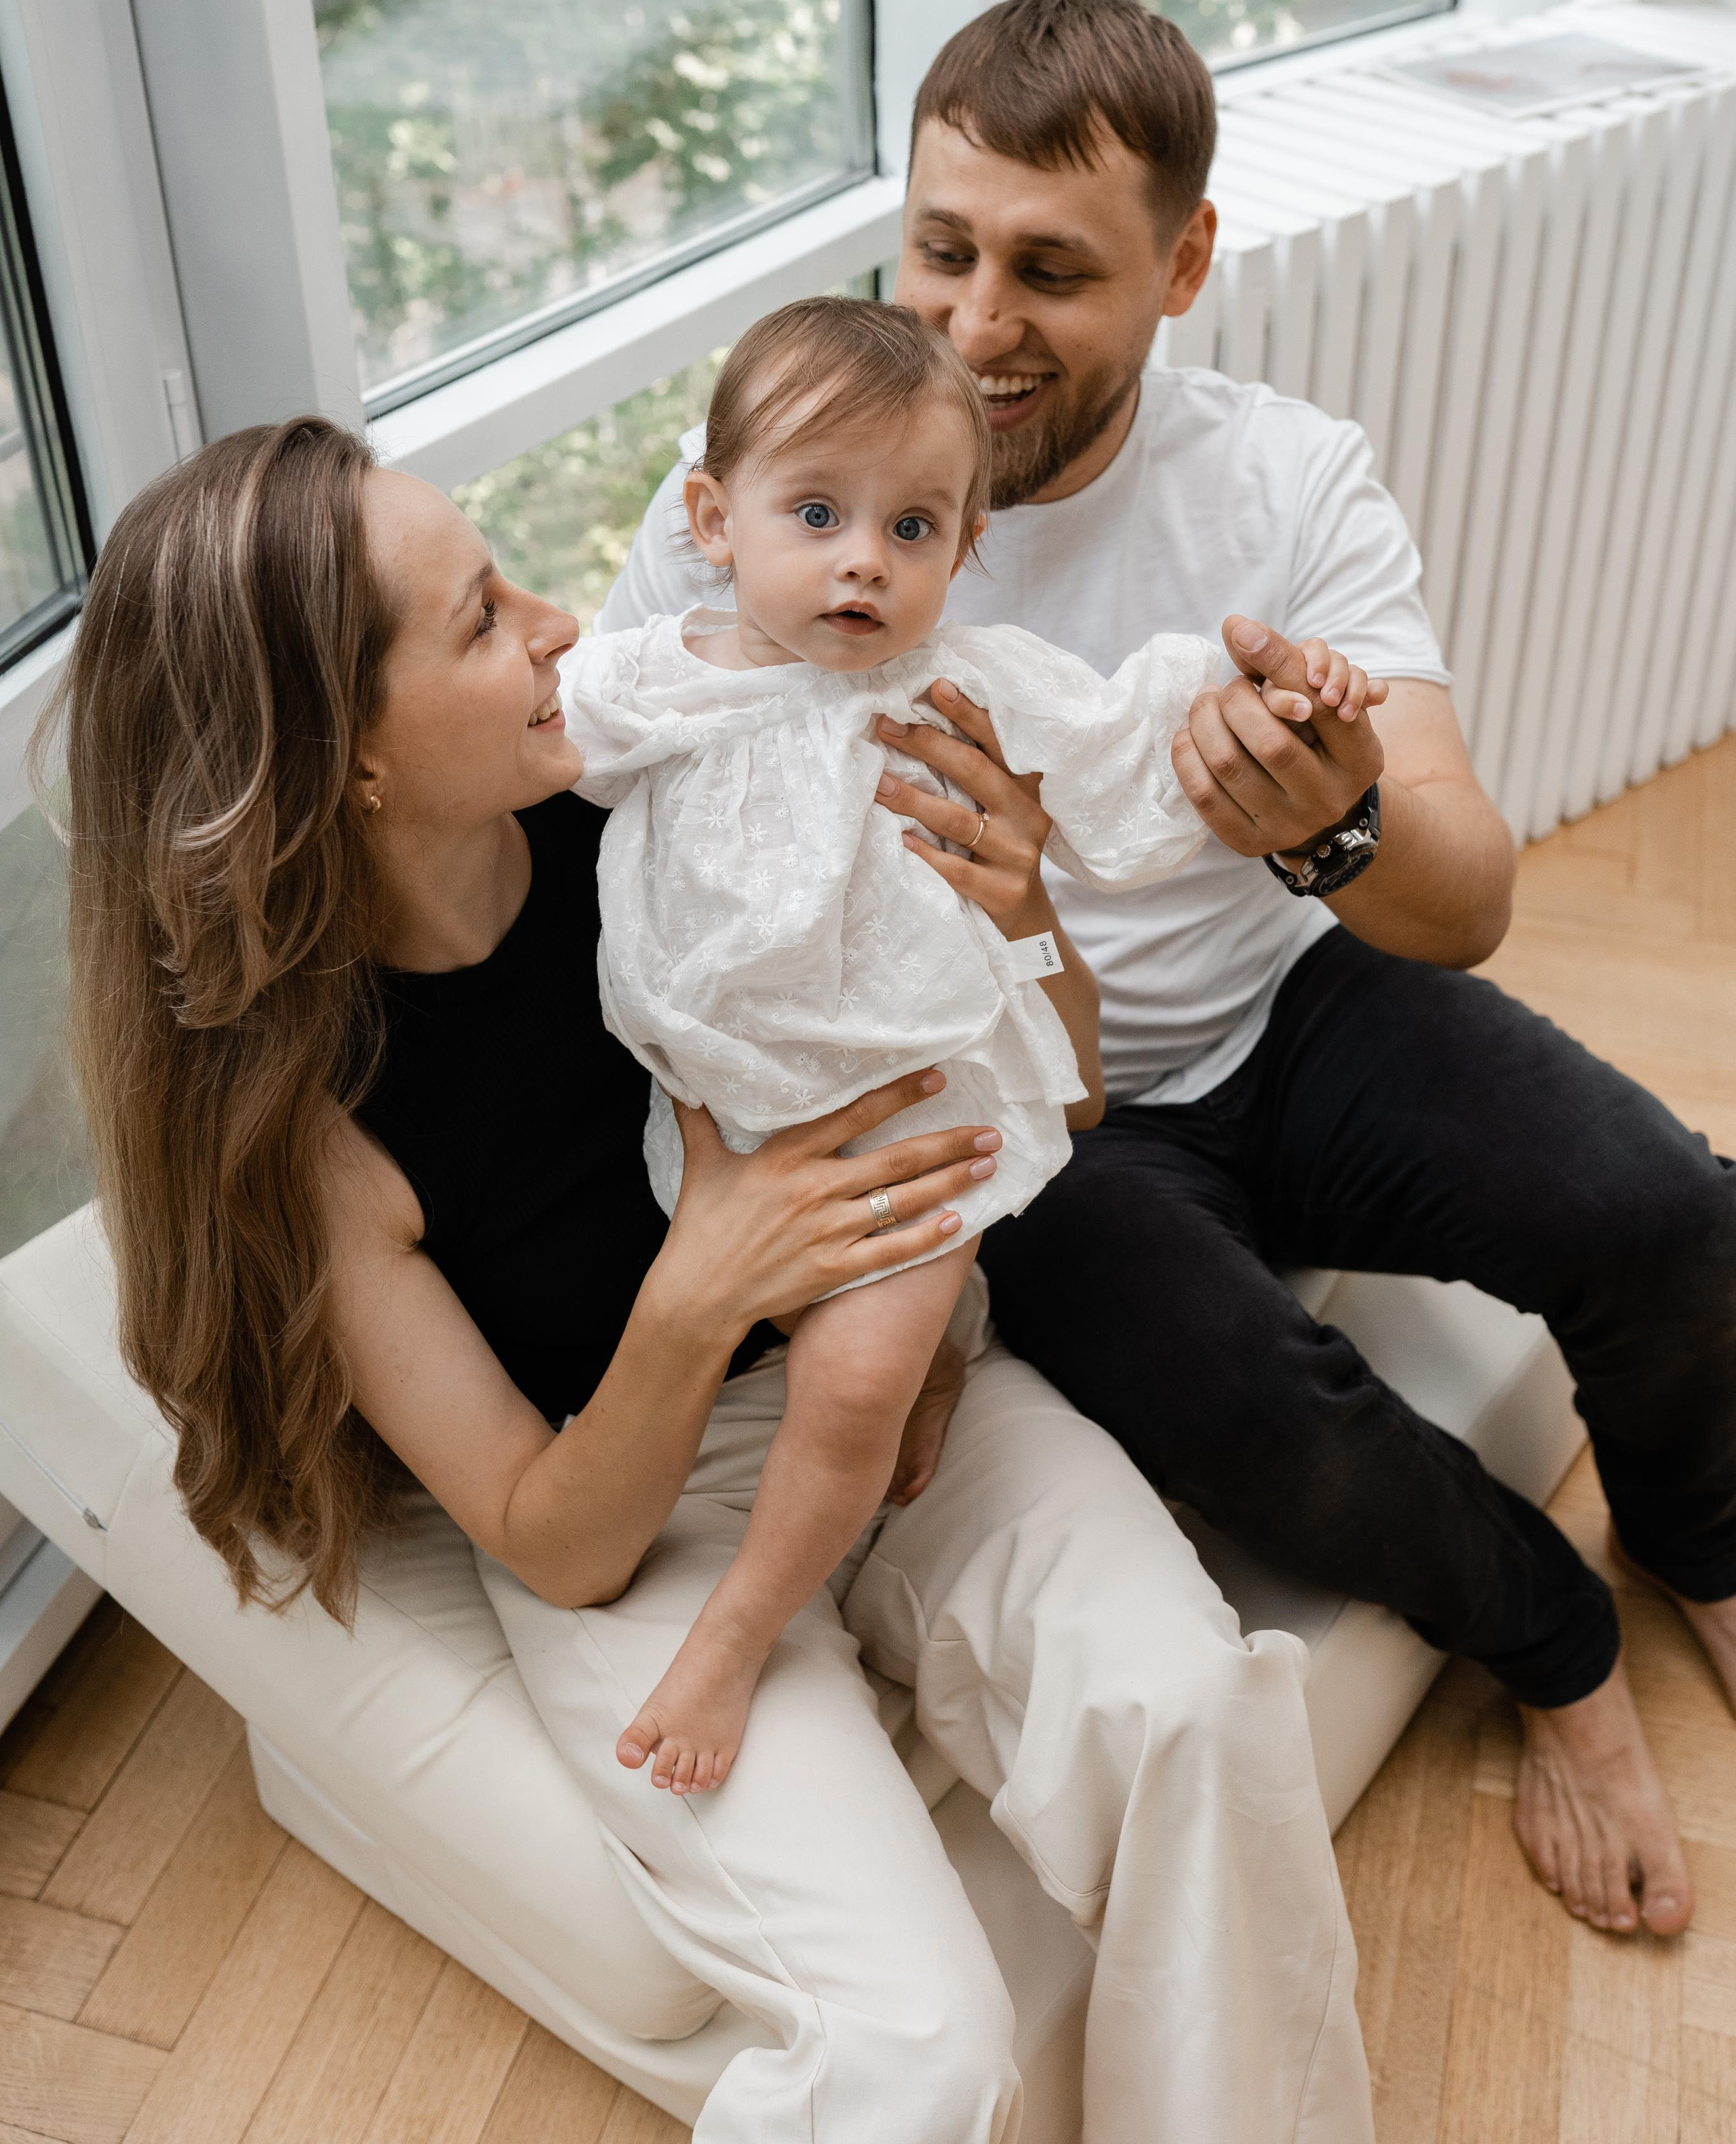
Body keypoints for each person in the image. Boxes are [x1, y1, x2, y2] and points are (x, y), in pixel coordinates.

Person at [50, 413, 1373, 2141]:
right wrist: (699, 1283)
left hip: (899, 1381)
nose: (555, 625)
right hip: (637, 1525)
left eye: (509, 580)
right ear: (343, 759)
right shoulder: (307, 1129)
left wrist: (1022, 914)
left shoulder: (673, 799)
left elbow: (1048, 1088)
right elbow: (552, 1537)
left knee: (1199, 1711)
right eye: (477, 621)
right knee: (915, 2051)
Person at [604, 0, 1736, 1943]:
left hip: (1292, 1002)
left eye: (1050, 270)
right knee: (1250, 1409)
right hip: (1027, 1111)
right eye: (941, 247)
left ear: (1185, 263)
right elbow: (587, 751)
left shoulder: (1287, 485)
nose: (971, 323)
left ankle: (1705, 1532)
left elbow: (1461, 898)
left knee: (1664, 1205)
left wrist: (1328, 815)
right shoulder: (769, 492)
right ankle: (1558, 1657)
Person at [565, 292, 1383, 1793]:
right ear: (710, 517)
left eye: (915, 527)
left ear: (963, 549)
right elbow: (523, 733)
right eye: (814, 513)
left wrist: (1278, 685)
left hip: (913, 1104)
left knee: (851, 1387)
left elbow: (1134, 724)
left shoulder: (962, 686)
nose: (864, 560)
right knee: (843, 1335)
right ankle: (958, 1338)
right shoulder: (659, 676)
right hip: (736, 1102)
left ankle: (740, 1631)